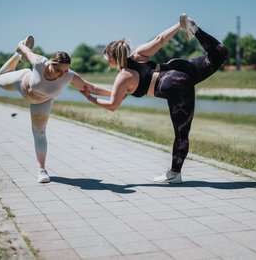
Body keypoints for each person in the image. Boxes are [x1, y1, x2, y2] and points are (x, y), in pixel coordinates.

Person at [81, 14, 228, 183]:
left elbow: (113, 104)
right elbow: (160, 40)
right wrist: (179, 25)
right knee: (219, 54)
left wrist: (90, 99)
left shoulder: (123, 77)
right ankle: (193, 29)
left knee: (182, 134)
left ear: (112, 58)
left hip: (175, 86)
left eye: (108, 60)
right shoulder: (137, 56)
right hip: (177, 68)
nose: (108, 63)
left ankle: (175, 173)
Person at [0, 36, 111, 183]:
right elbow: (23, 46)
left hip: (42, 101)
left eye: (65, 70)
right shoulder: (39, 62)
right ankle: (17, 56)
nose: (61, 74)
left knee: (40, 132)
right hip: (22, 82)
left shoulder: (68, 76)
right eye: (58, 70)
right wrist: (21, 48)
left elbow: (91, 88)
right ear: (51, 63)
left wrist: (114, 93)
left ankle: (41, 170)